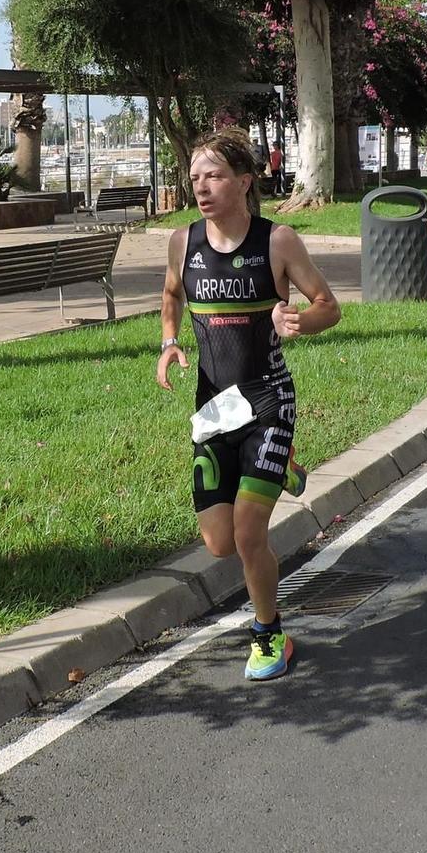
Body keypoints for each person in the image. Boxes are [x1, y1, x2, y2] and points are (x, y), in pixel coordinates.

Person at [158, 127, 340, 682]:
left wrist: (299, 321)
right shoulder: (182, 241)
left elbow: (329, 306)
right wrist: (169, 342)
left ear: (243, 181)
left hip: (267, 401)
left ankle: (269, 635)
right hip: (215, 408)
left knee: (246, 536)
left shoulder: (277, 242)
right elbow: (170, 293)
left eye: (213, 176)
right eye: (194, 178)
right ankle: (280, 466)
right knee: (216, 544)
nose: (202, 188)